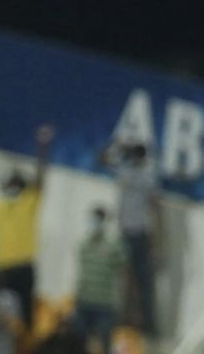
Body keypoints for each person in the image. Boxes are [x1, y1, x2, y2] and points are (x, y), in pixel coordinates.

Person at [0, 124, 54, 330]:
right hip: (1, 270)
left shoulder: (28, 202)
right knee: (1, 318)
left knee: (25, 317)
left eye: (14, 182)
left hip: (23, 268)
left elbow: (40, 179)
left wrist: (43, 149)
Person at [100, 141, 159, 335]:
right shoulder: (125, 170)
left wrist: (155, 234)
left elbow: (153, 205)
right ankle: (123, 321)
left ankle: (148, 326)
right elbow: (103, 159)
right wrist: (118, 146)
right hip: (124, 232)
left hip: (140, 233)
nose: (135, 158)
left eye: (137, 155)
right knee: (124, 278)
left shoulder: (148, 175)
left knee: (143, 282)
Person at [74, 206, 127, 354]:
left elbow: (123, 270)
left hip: (104, 304)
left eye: (96, 220)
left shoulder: (113, 245)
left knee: (105, 343)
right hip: (83, 301)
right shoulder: (84, 244)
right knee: (79, 342)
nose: (92, 224)